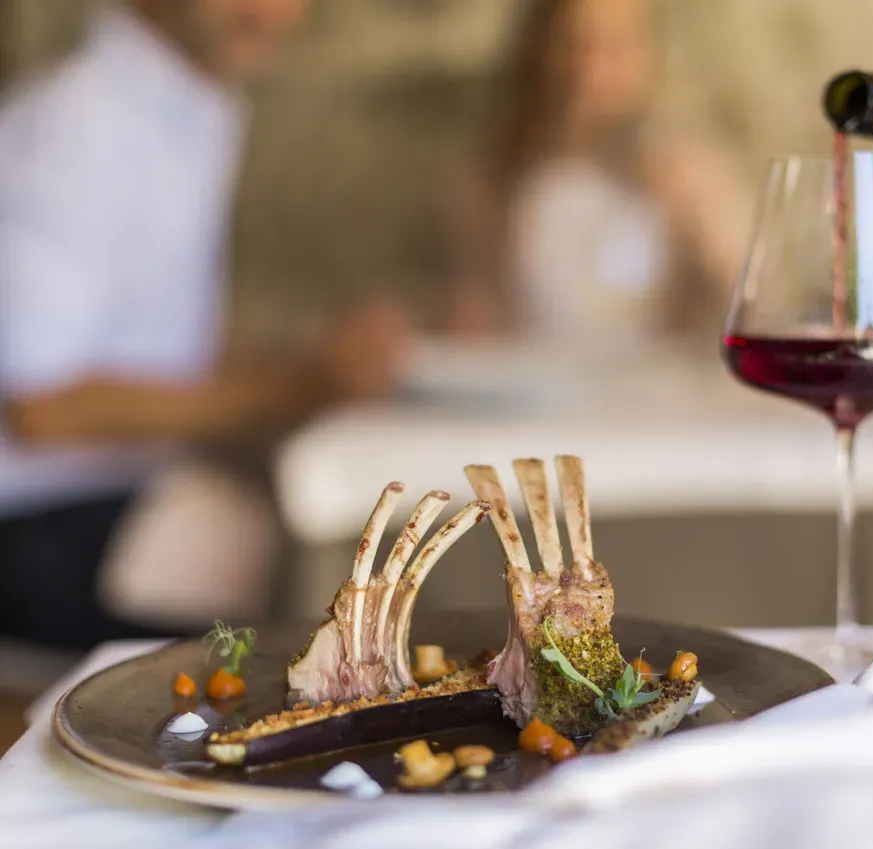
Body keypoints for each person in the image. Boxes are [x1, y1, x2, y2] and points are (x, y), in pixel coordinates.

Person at [0, 0, 409, 650]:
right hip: (38, 523)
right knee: (287, 579)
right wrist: (302, 386)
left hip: (115, 494)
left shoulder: (190, 108)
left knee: (336, 549)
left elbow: (164, 352)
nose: (273, 12)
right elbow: (41, 409)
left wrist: (319, 370)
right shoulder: (74, 129)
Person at [448, 0, 749, 354]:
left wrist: (703, 221)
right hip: (535, 389)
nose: (589, 67)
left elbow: (759, 303)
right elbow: (476, 313)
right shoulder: (497, 177)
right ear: (538, 52)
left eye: (614, 46)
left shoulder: (688, 169)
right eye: (572, 44)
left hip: (658, 391)